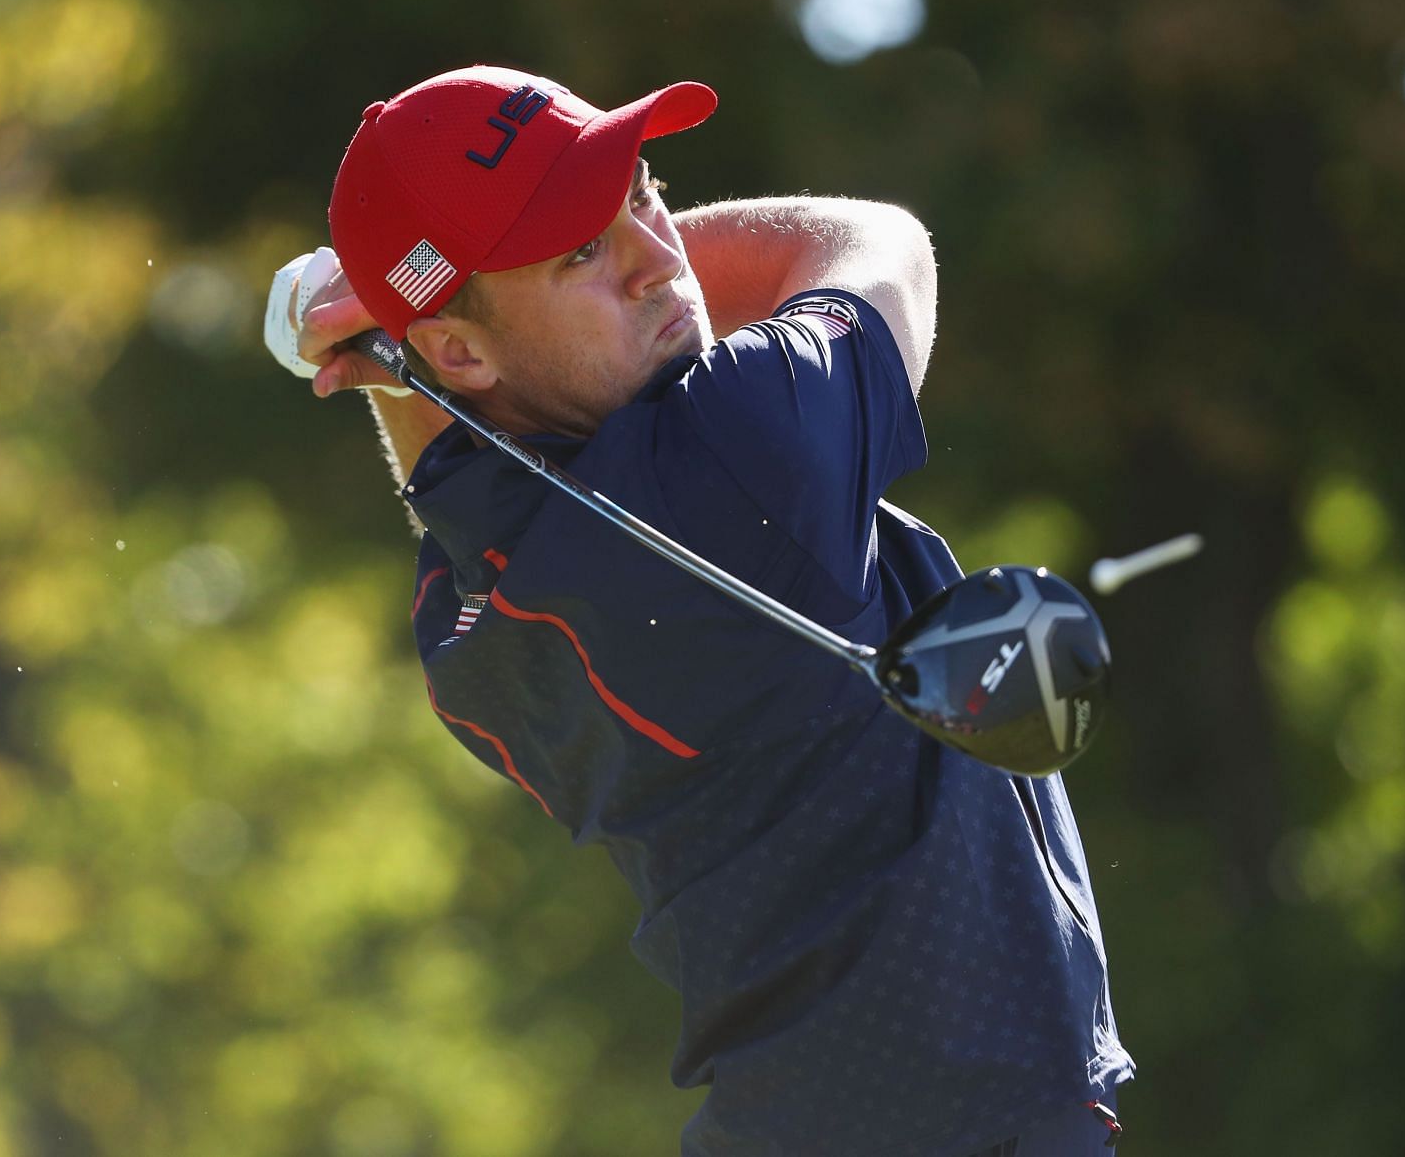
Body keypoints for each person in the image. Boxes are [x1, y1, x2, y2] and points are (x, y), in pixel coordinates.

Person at [267, 64, 1134, 1156]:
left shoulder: (468, 641)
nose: (653, 258)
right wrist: (384, 315)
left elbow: (458, 461)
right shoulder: (746, 450)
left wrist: (403, 335)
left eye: (641, 194)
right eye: (580, 249)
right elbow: (879, 243)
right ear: (458, 349)